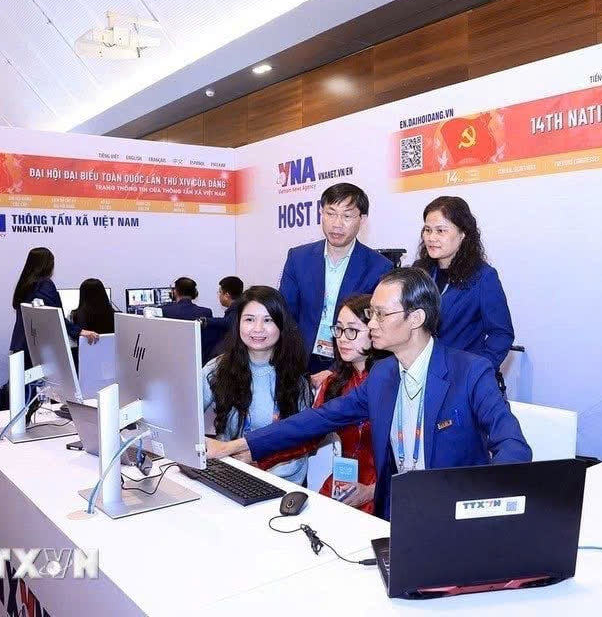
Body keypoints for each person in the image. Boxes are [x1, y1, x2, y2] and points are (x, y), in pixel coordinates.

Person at [208, 268, 531, 519]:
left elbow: (512, 445)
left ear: (416, 318)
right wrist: (235, 445)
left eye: (380, 314)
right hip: (392, 517)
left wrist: (484, 507)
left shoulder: (470, 372)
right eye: (371, 314)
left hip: (453, 516)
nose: (371, 324)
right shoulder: (383, 375)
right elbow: (317, 419)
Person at [258, 294, 383, 513]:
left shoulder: (392, 382)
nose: (342, 338)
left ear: (375, 330)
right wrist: (255, 454)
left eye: (352, 330)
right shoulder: (334, 382)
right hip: (342, 487)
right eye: (339, 329)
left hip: (382, 493)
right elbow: (307, 436)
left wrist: (373, 490)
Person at [201, 286, 312, 485]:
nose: (258, 328)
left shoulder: (296, 377)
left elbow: (299, 446)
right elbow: (185, 416)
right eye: (249, 319)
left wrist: (261, 471)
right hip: (228, 475)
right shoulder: (217, 368)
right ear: (238, 323)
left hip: (279, 483)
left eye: (268, 320)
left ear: (281, 325)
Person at [279, 183, 392, 376]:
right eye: (330, 213)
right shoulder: (298, 258)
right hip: (300, 360)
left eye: (347, 216)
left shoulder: (379, 267)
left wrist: (335, 371)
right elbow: (286, 315)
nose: (337, 224)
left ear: (362, 219)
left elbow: (375, 327)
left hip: (350, 365)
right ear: (321, 213)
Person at [413, 196, 514, 372]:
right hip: (418, 373)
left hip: (458, 376)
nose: (431, 237)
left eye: (441, 231)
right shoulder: (418, 271)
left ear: (462, 234)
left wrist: (476, 371)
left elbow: (501, 334)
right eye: (427, 230)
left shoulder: (483, 277)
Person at [10, 247, 99, 367]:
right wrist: (80, 331)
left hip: (21, 345)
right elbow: (54, 316)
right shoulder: (44, 285)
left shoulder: (24, 285)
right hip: (38, 348)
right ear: (47, 265)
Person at [201, 276, 243, 362]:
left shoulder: (237, 309)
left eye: (220, 292)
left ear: (227, 295)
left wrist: (206, 321)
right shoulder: (240, 306)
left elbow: (228, 322)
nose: (219, 295)